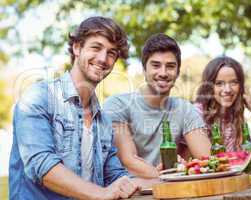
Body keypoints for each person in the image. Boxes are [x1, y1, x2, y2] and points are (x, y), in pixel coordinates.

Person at [9, 16, 140, 200]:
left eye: (112, 53)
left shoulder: (102, 120)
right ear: (77, 48)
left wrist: (160, 178)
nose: (103, 58)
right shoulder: (38, 98)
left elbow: (116, 176)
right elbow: (42, 165)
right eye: (96, 47)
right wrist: (101, 194)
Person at [103, 33, 211, 178]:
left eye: (170, 66)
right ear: (144, 69)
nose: (163, 73)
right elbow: (129, 161)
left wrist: (183, 167)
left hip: (172, 190)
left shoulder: (185, 109)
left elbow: (207, 158)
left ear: (178, 72)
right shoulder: (118, 105)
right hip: (131, 193)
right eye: (156, 65)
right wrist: (170, 174)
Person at [193, 56, 251, 152]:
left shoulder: (235, 115)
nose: (227, 90)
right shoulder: (196, 113)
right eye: (219, 83)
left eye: (234, 82)